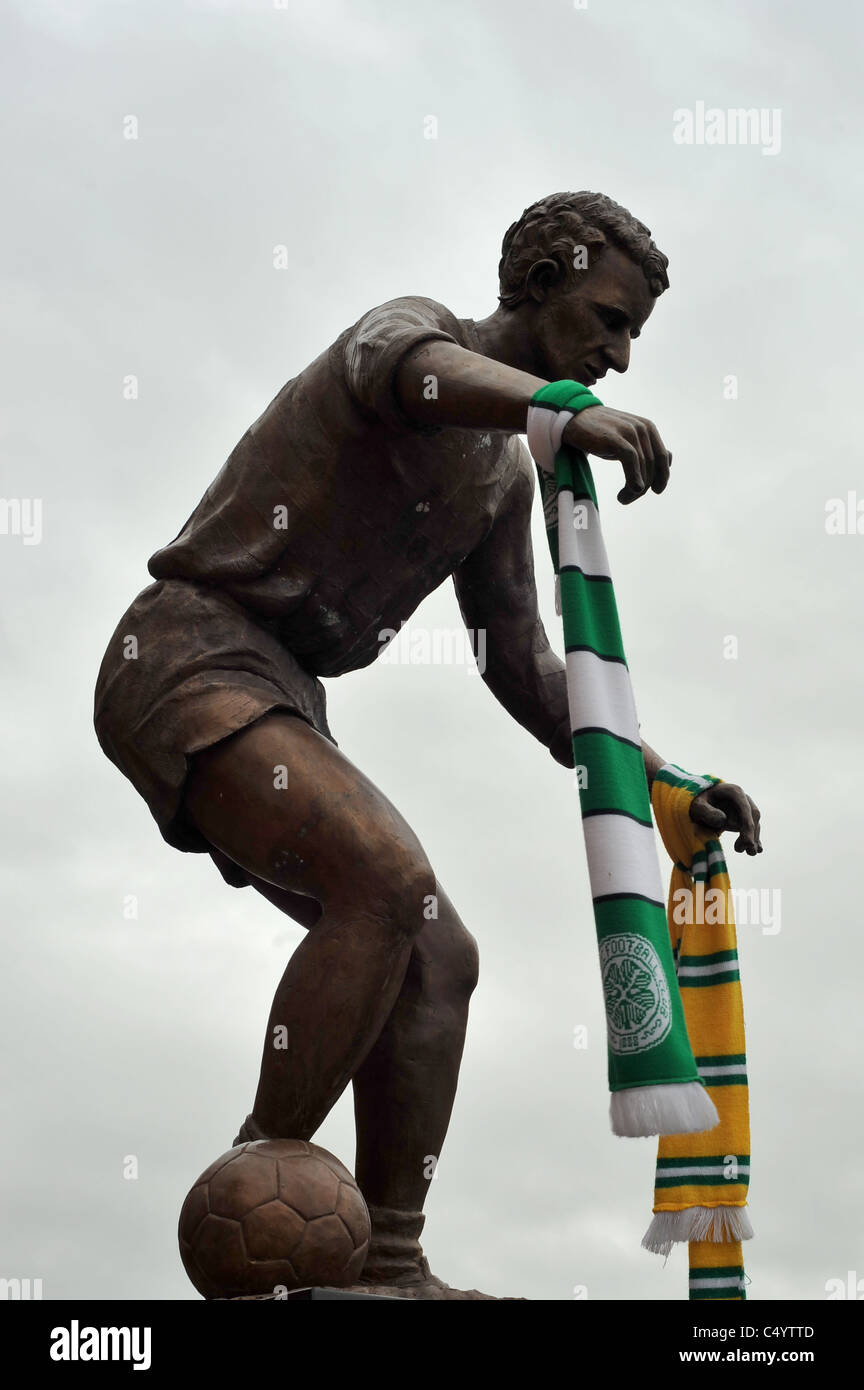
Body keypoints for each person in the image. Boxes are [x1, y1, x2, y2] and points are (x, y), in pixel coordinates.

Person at [94, 190, 762, 1300]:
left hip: (284, 697)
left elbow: (527, 670)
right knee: (387, 880)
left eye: (634, 333)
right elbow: (415, 372)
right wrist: (556, 402)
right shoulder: (409, 339)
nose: (620, 355)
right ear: (542, 281)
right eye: (607, 318)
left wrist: (665, 782)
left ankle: (392, 1265)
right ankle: (266, 1175)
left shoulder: (496, 479)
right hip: (185, 653)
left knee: (440, 955)